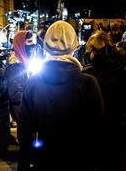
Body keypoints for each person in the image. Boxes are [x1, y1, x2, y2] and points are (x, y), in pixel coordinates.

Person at [17, 20, 105, 171]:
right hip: (79, 161)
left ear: (45, 46)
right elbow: (97, 129)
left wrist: (25, 163)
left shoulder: (32, 82)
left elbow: (25, 132)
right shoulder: (88, 83)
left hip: (45, 159)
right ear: (74, 47)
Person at [83, 30, 126, 171]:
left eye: (89, 50)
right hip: (117, 133)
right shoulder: (121, 69)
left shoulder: (87, 75)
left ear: (94, 51)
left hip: (94, 135)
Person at [5, 30, 42, 126]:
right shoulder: (15, 65)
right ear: (20, 43)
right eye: (29, 42)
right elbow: (16, 94)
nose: (32, 45)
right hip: (23, 108)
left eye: (33, 42)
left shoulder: (25, 60)